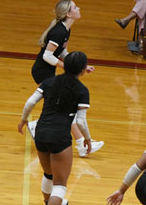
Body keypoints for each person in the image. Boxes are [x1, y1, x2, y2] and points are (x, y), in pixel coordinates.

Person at [30, 0, 103, 157]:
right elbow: (47, 56)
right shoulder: (59, 32)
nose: (79, 8)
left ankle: (37, 126)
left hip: (48, 71)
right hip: (42, 71)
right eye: (75, 7)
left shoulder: (66, 30)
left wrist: (80, 66)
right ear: (68, 14)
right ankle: (81, 144)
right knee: (65, 108)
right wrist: (67, 67)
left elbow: (62, 52)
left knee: (60, 107)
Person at [19, 51, 93, 205]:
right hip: (59, 136)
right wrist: (87, 138)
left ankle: (48, 201)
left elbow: (30, 102)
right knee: (60, 185)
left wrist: (24, 120)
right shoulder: (82, 90)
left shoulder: (49, 82)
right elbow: (81, 121)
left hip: (41, 133)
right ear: (82, 70)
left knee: (49, 175)